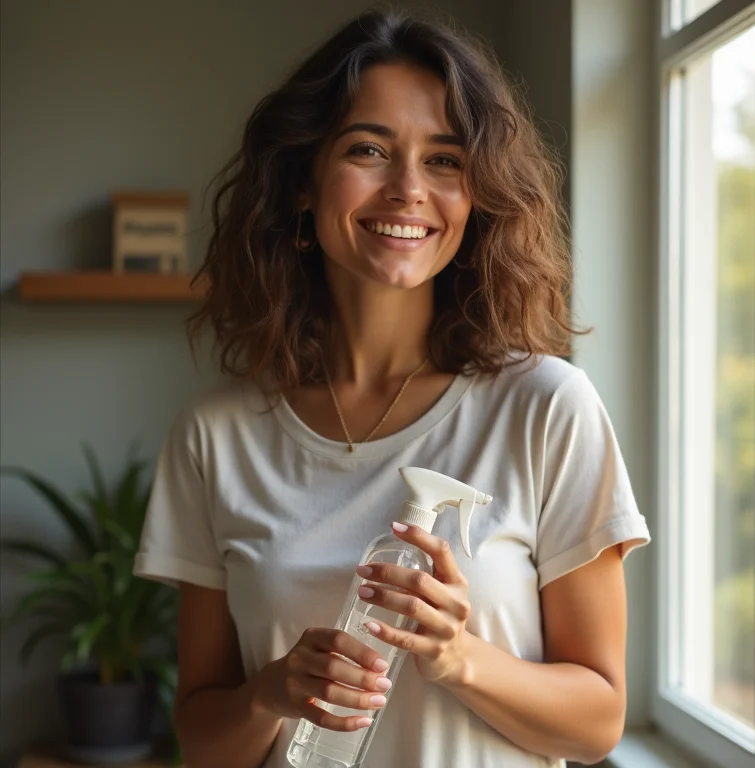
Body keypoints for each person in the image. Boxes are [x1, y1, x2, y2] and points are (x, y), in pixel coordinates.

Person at [134, 8, 650, 768]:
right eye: (369, 149)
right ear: (304, 184)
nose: (408, 188)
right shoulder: (216, 436)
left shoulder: (546, 407)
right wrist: (271, 692)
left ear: (476, 198)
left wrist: (458, 657)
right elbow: (205, 743)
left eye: (444, 160)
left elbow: (598, 721)